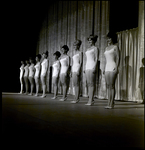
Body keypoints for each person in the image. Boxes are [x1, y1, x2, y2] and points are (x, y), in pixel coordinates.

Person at [103, 32, 120, 109]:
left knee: (112, 86)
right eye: (108, 38)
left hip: (113, 66)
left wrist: (117, 67)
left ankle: (111, 103)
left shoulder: (115, 47)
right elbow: (105, 60)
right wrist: (104, 68)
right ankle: (108, 102)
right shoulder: (106, 48)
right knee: (108, 86)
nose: (108, 40)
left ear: (113, 38)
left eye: (110, 38)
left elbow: (118, 58)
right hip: (107, 67)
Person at [84, 35, 99, 106]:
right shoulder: (87, 49)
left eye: (91, 40)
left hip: (92, 65)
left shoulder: (95, 48)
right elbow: (86, 59)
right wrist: (85, 67)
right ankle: (90, 99)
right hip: (87, 66)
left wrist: (94, 67)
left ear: (94, 41)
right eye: (89, 40)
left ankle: (91, 100)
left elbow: (96, 58)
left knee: (92, 83)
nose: (89, 41)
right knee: (88, 84)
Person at [70, 39, 83, 103]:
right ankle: (75, 98)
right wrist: (71, 71)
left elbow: (81, 62)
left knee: (77, 84)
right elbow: (72, 63)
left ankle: (77, 98)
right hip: (73, 68)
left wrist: (78, 70)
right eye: (74, 46)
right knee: (74, 84)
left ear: (78, 46)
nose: (74, 47)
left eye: (75, 46)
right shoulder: (73, 53)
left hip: (77, 68)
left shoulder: (80, 53)